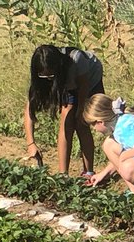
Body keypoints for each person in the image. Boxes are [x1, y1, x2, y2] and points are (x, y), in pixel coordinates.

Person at [23, 44, 104, 175]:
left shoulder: (76, 59)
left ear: (57, 67)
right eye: (44, 76)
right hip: (66, 81)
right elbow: (29, 109)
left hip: (89, 78)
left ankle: (88, 172)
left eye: (51, 75)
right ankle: (63, 174)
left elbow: (83, 87)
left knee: (80, 123)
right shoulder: (42, 74)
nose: (48, 79)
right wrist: (31, 143)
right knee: (66, 119)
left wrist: (80, 111)